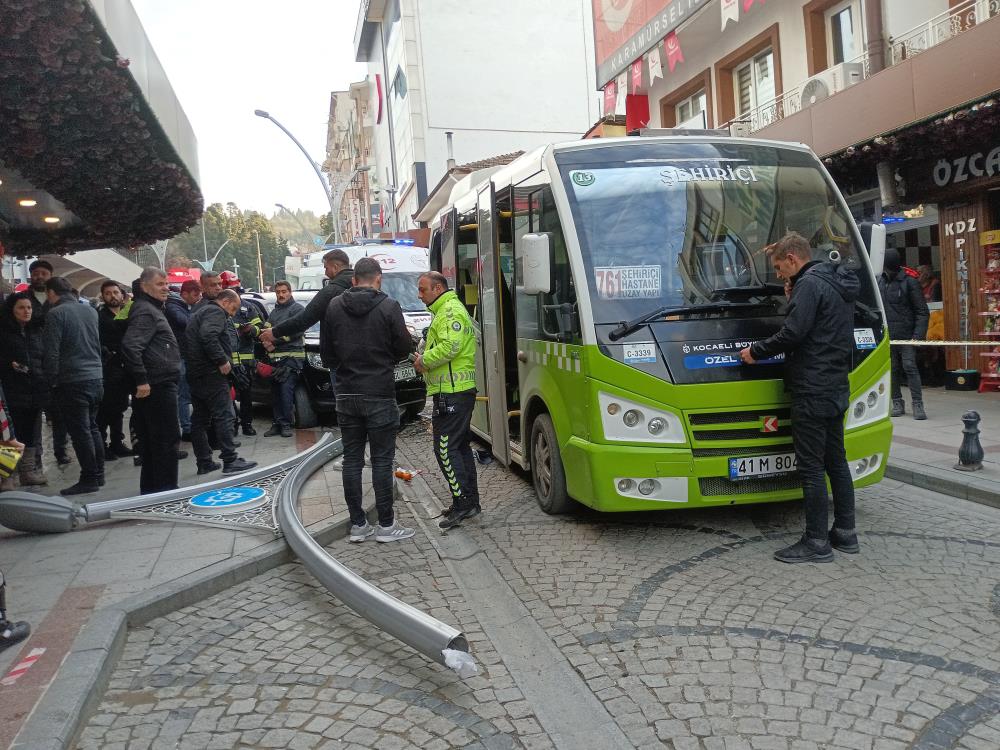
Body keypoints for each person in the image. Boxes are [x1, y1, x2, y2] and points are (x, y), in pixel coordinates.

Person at [739, 232, 859, 564]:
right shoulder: (835, 281)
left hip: (811, 386)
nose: (778, 276)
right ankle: (846, 533)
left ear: (793, 258)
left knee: (810, 468)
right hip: (836, 383)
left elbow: (794, 333)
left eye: (779, 268)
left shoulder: (809, 285)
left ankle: (816, 541)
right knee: (836, 461)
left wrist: (756, 352)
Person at [322, 257, 414, 542]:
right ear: (378, 279)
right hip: (379, 392)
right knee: (382, 461)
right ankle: (386, 526)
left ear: (353, 279)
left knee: (351, 460)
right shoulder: (388, 306)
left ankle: (358, 525)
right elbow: (403, 348)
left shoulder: (334, 306)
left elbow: (327, 355)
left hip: (346, 393)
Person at [414, 271, 481, 530]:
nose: (420, 295)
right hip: (454, 390)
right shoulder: (444, 310)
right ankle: (468, 502)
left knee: (445, 449)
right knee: (459, 447)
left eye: (423, 290)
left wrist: (423, 361)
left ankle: (463, 503)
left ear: (438, 288)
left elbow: (451, 347)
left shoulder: (450, 311)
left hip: (453, 392)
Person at [121, 268, 183, 494]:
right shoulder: (146, 311)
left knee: (154, 440)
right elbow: (131, 345)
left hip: (156, 383)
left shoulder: (149, 308)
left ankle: (152, 489)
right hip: (156, 385)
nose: (166, 287)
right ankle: (166, 490)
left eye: (166, 283)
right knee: (165, 439)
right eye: (160, 284)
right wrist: (141, 380)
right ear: (145, 286)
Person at [260, 249, 354, 395]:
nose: (325, 271)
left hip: (340, 357)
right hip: (368, 358)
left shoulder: (330, 292)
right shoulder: (364, 287)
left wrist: (274, 332)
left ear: (335, 267)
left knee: (345, 405)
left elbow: (304, 319)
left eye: (326, 267)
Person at [42, 276, 105, 496]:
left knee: (80, 431)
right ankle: (99, 473)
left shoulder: (55, 314)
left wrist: (51, 380)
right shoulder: (90, 311)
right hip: (95, 376)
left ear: (51, 293)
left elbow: (51, 352)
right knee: (93, 427)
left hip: (72, 379)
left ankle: (89, 478)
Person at [185, 288, 257, 476]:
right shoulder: (215, 312)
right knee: (225, 415)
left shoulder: (199, 311)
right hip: (211, 373)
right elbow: (208, 336)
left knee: (200, 419)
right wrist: (222, 360)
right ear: (225, 302)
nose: (232, 314)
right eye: (233, 309)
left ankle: (204, 461)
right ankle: (230, 460)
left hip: (196, 373)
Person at [0, 292, 48, 486]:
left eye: (29, 307)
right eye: (21, 307)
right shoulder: (4, 332)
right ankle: (7, 475)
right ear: (12, 310)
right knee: (10, 433)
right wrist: (8, 364)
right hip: (11, 390)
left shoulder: (35, 330)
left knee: (29, 432)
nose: (26, 311)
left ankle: (27, 472)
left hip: (34, 388)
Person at [879, 248, 930, 420]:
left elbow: (922, 311)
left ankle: (917, 404)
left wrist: (918, 336)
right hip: (888, 336)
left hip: (908, 335)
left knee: (909, 367)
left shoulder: (910, 282)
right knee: (892, 369)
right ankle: (897, 402)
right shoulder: (881, 282)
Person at [220, 271, 266, 436]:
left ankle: (247, 424)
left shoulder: (248, 307)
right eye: (231, 289)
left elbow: (260, 327)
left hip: (246, 361)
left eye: (236, 289)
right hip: (226, 361)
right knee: (227, 396)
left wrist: (250, 330)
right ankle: (232, 426)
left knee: (246, 395)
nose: (235, 293)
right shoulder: (217, 310)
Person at [263, 280, 305, 438]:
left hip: (291, 359)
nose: (281, 295)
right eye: (278, 292)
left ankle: (286, 424)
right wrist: (264, 338)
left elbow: (297, 332)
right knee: (275, 393)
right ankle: (277, 423)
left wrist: (273, 340)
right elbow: (265, 329)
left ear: (290, 292)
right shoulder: (274, 312)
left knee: (285, 391)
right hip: (274, 360)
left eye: (284, 291)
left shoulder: (297, 309)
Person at [96, 280, 132, 459]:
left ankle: (117, 442)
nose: (113, 296)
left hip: (126, 366)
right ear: (103, 296)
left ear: (121, 294)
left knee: (120, 406)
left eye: (115, 292)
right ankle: (102, 445)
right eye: (108, 293)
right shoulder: (99, 316)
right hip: (109, 367)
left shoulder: (127, 313)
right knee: (106, 408)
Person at [165, 280, 202, 441]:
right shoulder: (173, 306)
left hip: (185, 355)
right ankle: (186, 428)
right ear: (184, 294)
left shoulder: (181, 306)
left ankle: (188, 426)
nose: (198, 298)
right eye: (195, 295)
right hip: (179, 356)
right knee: (183, 395)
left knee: (186, 394)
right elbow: (185, 322)